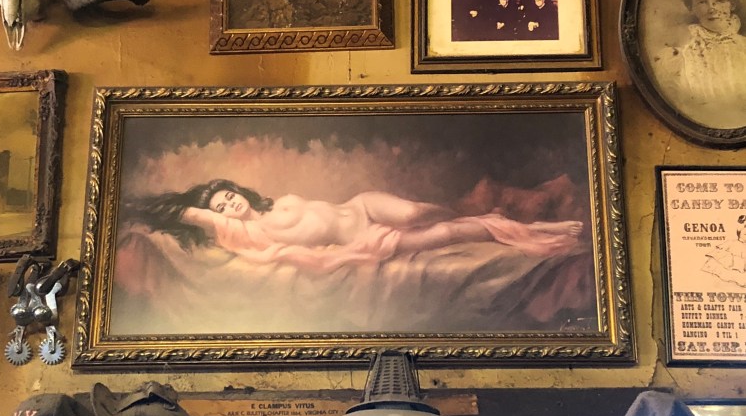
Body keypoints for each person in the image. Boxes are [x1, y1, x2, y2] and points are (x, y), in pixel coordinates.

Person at [123, 179, 584, 272]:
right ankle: (534, 230)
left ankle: (504, 219)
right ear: (219, 217)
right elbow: (188, 214)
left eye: (228, 194)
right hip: (365, 235)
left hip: (362, 205)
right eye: (221, 206)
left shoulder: (274, 203)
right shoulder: (253, 235)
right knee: (447, 234)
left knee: (420, 212)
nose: (229, 203)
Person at [654, 0, 746, 120]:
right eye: (702, 2)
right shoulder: (680, 55)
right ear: (692, 8)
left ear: (732, 4)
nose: (712, 9)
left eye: (720, 1)